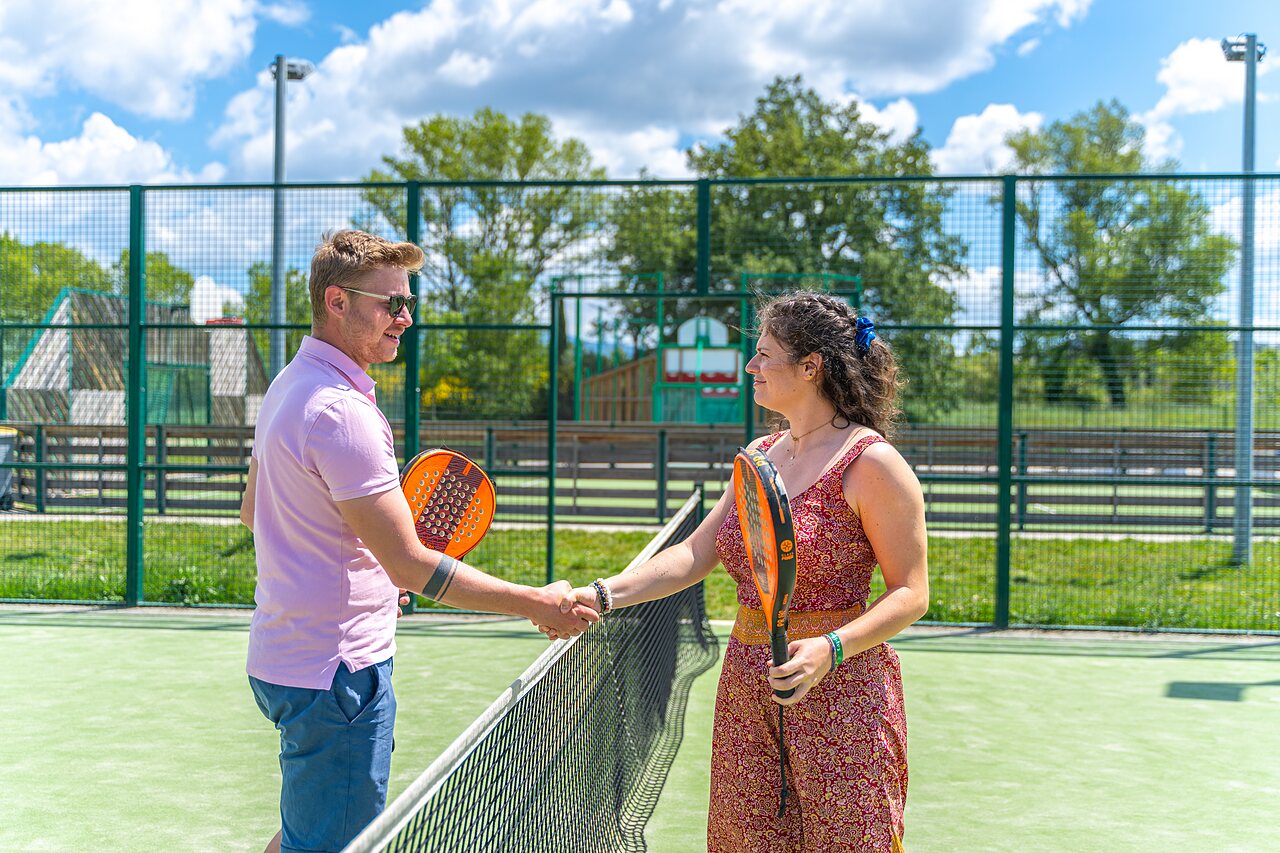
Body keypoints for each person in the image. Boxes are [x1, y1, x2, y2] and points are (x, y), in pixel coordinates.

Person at [239, 230, 598, 853]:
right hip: (339, 675)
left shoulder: (288, 386)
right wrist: (535, 603)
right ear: (336, 301)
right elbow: (410, 563)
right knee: (333, 842)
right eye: (389, 304)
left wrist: (376, 580)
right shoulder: (342, 412)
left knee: (312, 832)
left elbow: (256, 514)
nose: (404, 318)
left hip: (284, 660)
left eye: (408, 304)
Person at [548, 292, 929, 851]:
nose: (750, 365)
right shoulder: (760, 455)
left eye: (763, 353)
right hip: (747, 683)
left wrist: (831, 647)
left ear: (810, 366)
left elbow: (911, 592)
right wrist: (601, 594)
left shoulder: (871, 463)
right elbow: (695, 554)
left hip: (842, 689)